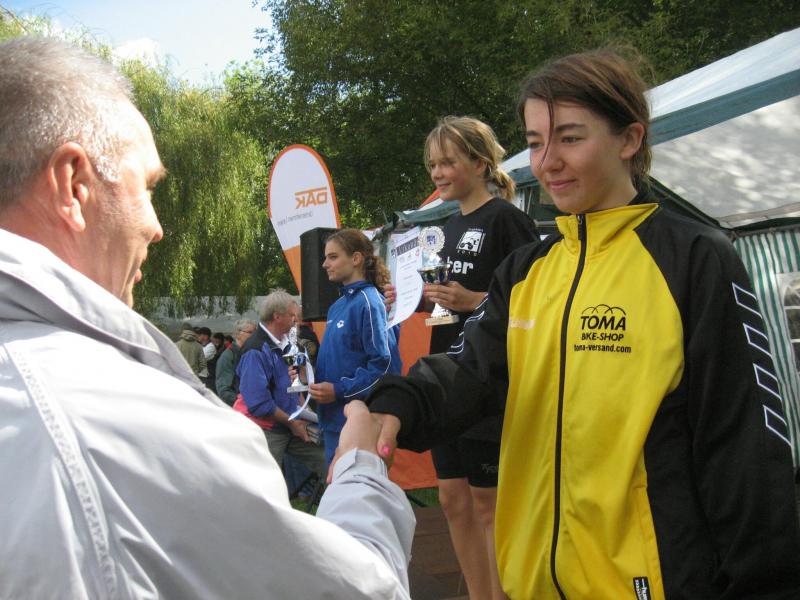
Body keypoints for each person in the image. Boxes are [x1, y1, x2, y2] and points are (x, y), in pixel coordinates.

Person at [365, 48, 800, 599]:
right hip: (534, 584)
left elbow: (743, 442)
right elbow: (471, 372)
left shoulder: (692, 258)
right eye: (534, 143)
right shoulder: (526, 268)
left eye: (570, 138)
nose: (547, 162)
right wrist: (397, 403)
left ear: (629, 139)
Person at [0, 36, 413, 598]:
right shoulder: (127, 425)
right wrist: (363, 469)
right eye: (147, 188)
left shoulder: (357, 304)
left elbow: (379, 360)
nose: (157, 228)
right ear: (74, 185)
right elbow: (362, 588)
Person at [420, 115, 538, 600]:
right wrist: (417, 299)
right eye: (432, 164)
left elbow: (536, 298)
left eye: (447, 162)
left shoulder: (507, 220)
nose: (438, 172)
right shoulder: (448, 226)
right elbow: (448, 303)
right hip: (447, 373)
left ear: (481, 163)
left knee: (488, 503)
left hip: (488, 377)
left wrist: (474, 301)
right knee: (452, 499)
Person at [309, 229, 402, 464]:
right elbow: (339, 360)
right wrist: (306, 374)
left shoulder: (370, 302)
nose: (325, 264)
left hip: (359, 422)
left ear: (356, 258)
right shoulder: (337, 306)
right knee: (336, 484)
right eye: (326, 257)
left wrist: (339, 390)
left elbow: (384, 367)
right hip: (332, 419)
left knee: (357, 485)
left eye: (333, 257)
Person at [235, 290, 326, 482]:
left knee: (329, 461)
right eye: (292, 315)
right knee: (265, 484)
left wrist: (304, 413)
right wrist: (293, 423)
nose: (296, 320)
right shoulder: (255, 350)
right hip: (264, 430)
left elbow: (293, 386)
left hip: (287, 424)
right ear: (277, 316)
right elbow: (259, 404)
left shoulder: (287, 343)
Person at [215, 319, 256, 405]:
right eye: (250, 332)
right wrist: (243, 404)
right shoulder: (227, 357)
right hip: (239, 408)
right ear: (238, 334)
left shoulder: (251, 353)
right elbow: (224, 390)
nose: (254, 335)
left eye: (255, 332)